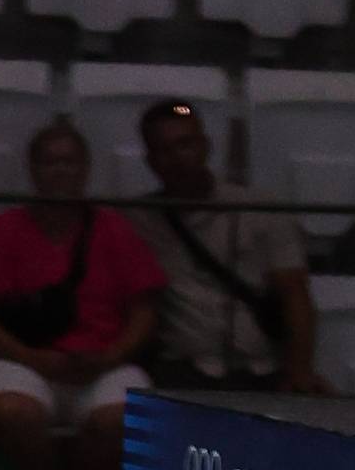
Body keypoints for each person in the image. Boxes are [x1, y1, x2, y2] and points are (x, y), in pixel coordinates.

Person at [0, 114, 155, 442]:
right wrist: (29, 357)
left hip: (101, 363)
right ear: (32, 169)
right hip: (18, 359)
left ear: (86, 168)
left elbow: (145, 308)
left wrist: (112, 356)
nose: (60, 170)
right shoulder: (0, 230)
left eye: (69, 161)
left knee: (126, 417)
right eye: (50, 162)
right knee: (13, 412)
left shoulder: (115, 229)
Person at [128, 88, 312, 399]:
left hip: (261, 370)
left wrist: (299, 372)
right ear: (150, 160)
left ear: (205, 147)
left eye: (185, 144)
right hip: (181, 373)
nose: (177, 158)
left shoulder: (261, 209)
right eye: (163, 149)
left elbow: (295, 294)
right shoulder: (137, 219)